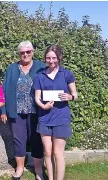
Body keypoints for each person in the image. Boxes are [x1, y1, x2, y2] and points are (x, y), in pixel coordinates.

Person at [0, 41, 45, 180]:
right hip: (16, 111)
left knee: (37, 140)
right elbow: (4, 89)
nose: (25, 54)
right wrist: (3, 110)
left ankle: (38, 170)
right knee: (18, 140)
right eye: (22, 52)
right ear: (19, 53)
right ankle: (19, 168)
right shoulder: (12, 68)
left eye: (28, 52)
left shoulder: (41, 67)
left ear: (32, 52)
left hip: (36, 111)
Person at [34, 44, 77, 180]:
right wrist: (43, 106)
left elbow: (75, 94)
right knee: (47, 151)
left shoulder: (67, 74)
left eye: (54, 58)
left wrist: (70, 97)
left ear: (59, 57)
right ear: (45, 59)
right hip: (45, 117)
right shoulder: (40, 76)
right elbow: (37, 97)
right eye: (48, 58)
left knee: (58, 153)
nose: (51, 61)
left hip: (61, 117)